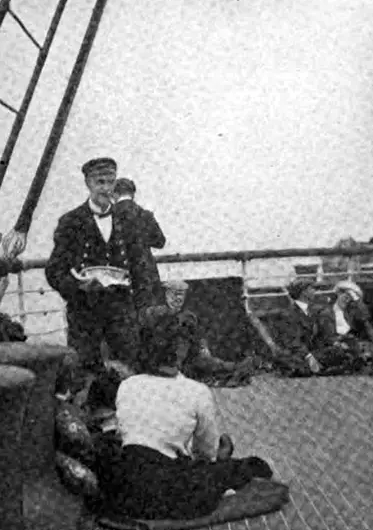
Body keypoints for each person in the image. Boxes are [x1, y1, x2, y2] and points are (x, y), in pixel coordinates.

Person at [95, 312, 273, 521]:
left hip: (124, 489)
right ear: (182, 350)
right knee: (242, 466)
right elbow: (205, 454)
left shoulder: (127, 385)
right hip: (168, 489)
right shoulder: (196, 391)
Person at [45, 158, 145, 393]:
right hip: (85, 313)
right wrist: (78, 286)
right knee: (83, 379)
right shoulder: (71, 221)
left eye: (111, 182)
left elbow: (140, 265)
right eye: (100, 182)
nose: (106, 189)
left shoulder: (127, 220)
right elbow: (54, 270)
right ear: (88, 183)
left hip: (121, 312)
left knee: (130, 371)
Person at [142, 280, 254, 386]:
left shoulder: (189, 317)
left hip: (190, 356)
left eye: (181, 295)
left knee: (210, 364)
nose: (178, 298)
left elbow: (198, 336)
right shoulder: (154, 314)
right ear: (166, 295)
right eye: (174, 295)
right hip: (166, 357)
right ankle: (233, 370)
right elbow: (150, 338)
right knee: (204, 368)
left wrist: (203, 347)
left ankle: (237, 368)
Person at [112, 177, 166, 310]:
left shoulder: (110, 216)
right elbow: (160, 242)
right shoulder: (145, 215)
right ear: (133, 194)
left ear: (114, 194)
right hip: (145, 273)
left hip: (119, 274)